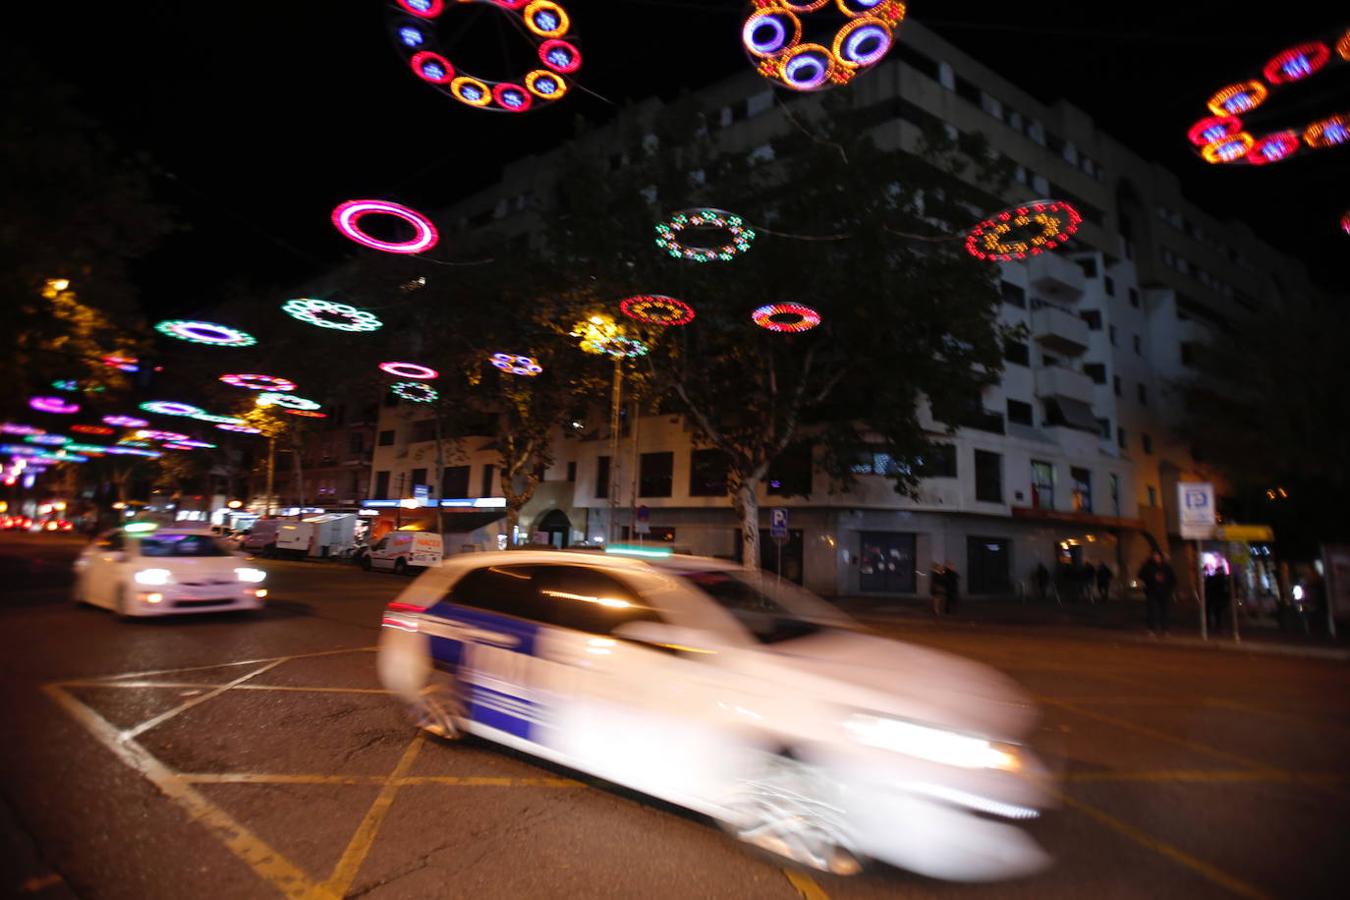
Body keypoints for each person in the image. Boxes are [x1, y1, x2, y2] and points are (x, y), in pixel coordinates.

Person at [1137, 550, 1177, 636]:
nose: (1156, 558)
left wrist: (1169, 588)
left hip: (1164, 592)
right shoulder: (1148, 566)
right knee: (1152, 610)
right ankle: (1151, 628)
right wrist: (1150, 578)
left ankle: (1165, 629)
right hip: (1152, 591)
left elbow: (1173, 579)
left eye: (1158, 556)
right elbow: (1141, 575)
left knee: (1165, 611)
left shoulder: (1166, 567)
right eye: (1155, 556)